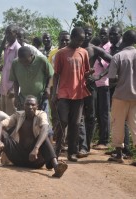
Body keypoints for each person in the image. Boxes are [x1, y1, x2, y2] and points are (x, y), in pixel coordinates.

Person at [0, 95, 68, 178]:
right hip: (18, 157)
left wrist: (36, 148)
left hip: (35, 159)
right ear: (24, 105)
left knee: (43, 136)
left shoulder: (42, 114)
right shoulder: (18, 115)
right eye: (27, 104)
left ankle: (56, 167)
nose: (30, 107)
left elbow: (45, 128)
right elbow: (0, 125)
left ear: (37, 106)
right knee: (3, 134)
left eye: (33, 105)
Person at [52, 27, 92, 162]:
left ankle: (71, 152)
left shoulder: (84, 53)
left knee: (75, 124)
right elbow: (56, 74)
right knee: (62, 121)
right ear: (73, 37)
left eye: (83, 40)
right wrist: (54, 93)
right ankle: (56, 150)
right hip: (63, 92)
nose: (81, 42)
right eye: (79, 39)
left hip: (79, 93)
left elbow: (85, 72)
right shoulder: (61, 53)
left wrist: (89, 74)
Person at [78, 26, 112, 157]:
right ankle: (77, 144)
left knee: (90, 117)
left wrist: (100, 75)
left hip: (90, 86)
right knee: (77, 116)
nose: (87, 36)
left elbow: (113, 61)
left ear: (92, 35)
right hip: (75, 87)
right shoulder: (74, 49)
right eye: (85, 33)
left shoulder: (95, 49)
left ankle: (85, 147)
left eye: (89, 34)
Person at [10, 46, 54, 141]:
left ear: (31, 56)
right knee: (23, 125)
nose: (23, 63)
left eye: (26, 61)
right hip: (23, 100)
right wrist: (16, 97)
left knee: (44, 124)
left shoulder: (42, 61)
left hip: (41, 98)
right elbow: (15, 81)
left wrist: (48, 88)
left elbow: (51, 75)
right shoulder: (15, 63)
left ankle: (49, 149)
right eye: (21, 61)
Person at [107, 30, 136, 164]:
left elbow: (111, 79)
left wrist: (121, 79)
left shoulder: (118, 56)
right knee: (135, 125)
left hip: (120, 96)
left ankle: (119, 154)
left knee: (117, 123)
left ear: (123, 40)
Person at [91, 27, 112, 150]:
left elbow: (111, 66)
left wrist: (100, 58)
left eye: (105, 34)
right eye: (101, 33)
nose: (103, 35)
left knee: (104, 114)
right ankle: (100, 139)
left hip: (104, 84)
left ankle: (105, 141)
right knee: (97, 113)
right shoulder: (97, 46)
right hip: (94, 84)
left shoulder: (109, 48)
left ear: (109, 35)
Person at [0, 25, 21, 115]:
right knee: (3, 116)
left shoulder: (18, 48)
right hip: (4, 88)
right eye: (6, 33)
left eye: (10, 33)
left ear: (15, 34)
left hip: (11, 89)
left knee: (11, 117)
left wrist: (13, 89)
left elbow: (19, 70)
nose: (7, 35)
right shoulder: (7, 48)